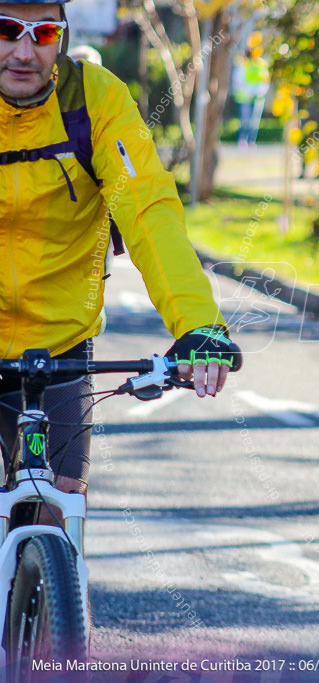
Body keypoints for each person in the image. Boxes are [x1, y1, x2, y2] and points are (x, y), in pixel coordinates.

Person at [0, 0, 241, 500]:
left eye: (42, 33)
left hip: (60, 346)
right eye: (6, 30)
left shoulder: (97, 99)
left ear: (63, 35)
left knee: (62, 499)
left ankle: (57, 570)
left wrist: (197, 322)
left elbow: (148, 209)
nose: (24, 52)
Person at [232, 44, 270, 148]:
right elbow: (238, 81)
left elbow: (265, 80)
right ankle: (242, 140)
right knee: (245, 121)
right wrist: (248, 91)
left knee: (254, 121)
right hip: (244, 98)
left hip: (257, 97)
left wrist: (258, 91)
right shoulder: (242, 64)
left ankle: (251, 141)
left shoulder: (261, 64)